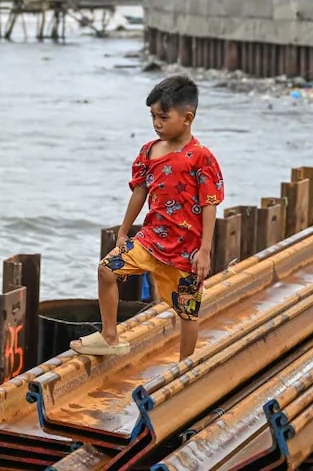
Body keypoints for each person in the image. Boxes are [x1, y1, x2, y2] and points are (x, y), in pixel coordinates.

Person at [70, 75, 225, 361]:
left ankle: (184, 366)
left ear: (187, 117)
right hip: (151, 240)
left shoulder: (201, 157)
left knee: (187, 312)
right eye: (153, 116)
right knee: (106, 270)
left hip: (185, 250)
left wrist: (204, 251)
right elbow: (139, 193)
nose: (156, 123)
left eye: (163, 117)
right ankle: (110, 336)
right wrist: (124, 230)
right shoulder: (148, 151)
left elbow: (209, 204)